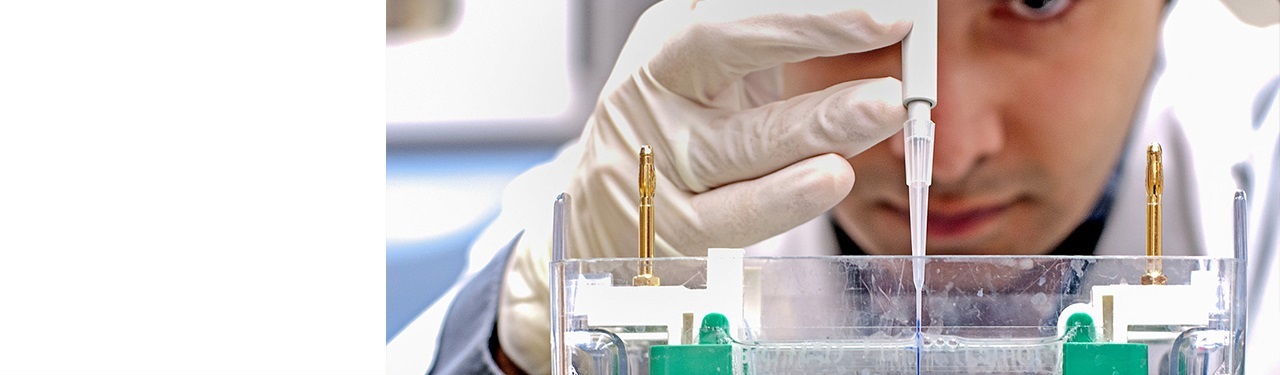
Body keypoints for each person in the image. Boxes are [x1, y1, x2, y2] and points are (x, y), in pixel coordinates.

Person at [426, 0, 1280, 373]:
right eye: (860, 4)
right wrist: (519, 348)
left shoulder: (1257, 145)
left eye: (1036, 1)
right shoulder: (646, 188)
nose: (946, 154)